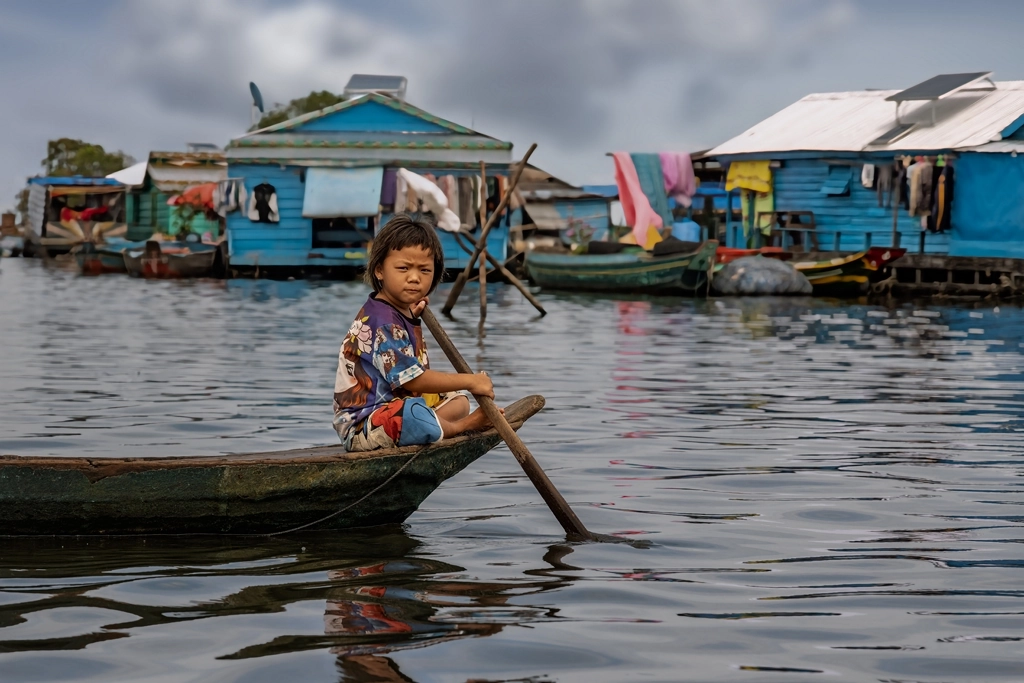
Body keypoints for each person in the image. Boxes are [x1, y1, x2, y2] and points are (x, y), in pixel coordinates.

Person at [333, 213, 497, 451]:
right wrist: (472, 381)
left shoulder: (400, 312)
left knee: (459, 399)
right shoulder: (383, 322)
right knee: (412, 413)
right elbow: (414, 378)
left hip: (396, 405)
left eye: (424, 270)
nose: (414, 278)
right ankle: (462, 427)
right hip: (363, 427)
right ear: (379, 270)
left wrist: (412, 317)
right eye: (403, 268)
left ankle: (436, 425)